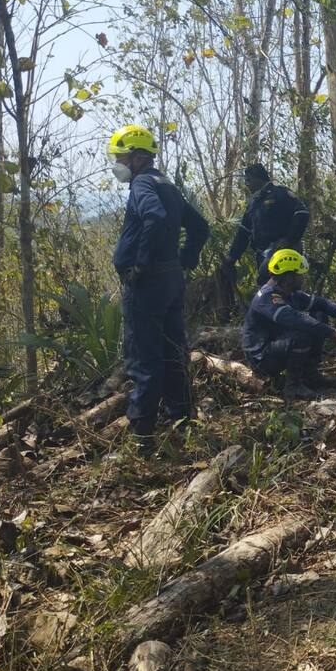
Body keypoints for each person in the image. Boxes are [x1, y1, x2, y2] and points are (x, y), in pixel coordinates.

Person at [108, 124, 209, 453]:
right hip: (171, 280)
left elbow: (154, 216)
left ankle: (143, 438)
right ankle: (182, 420)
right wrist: (185, 260)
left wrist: (140, 264)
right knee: (173, 350)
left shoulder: (142, 184)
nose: (117, 164)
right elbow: (200, 226)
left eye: (121, 158)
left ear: (137, 157)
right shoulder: (166, 183)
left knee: (144, 357)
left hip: (147, 285)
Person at [242, 249, 336, 400]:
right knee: (302, 333)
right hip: (262, 357)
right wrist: (334, 333)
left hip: (277, 344)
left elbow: (320, 303)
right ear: (289, 277)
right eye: (300, 275)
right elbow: (298, 320)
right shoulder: (268, 298)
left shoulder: (290, 293)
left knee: (319, 315)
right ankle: (293, 386)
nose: (303, 278)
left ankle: (310, 374)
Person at [221, 163, 311, 287]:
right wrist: (232, 257)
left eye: (249, 180)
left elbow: (302, 213)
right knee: (266, 285)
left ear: (258, 178)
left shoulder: (280, 193)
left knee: (274, 283)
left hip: (282, 251)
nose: (246, 184)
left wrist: (289, 240)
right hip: (261, 252)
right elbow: (244, 231)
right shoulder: (253, 203)